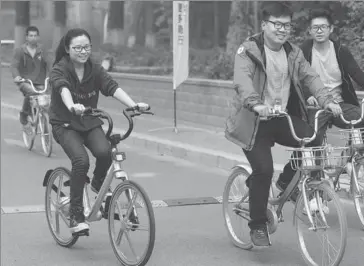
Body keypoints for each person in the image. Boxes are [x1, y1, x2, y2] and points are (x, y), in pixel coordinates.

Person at [225, 2, 341, 247]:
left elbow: (310, 77)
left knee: (314, 139)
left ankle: (285, 182)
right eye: (277, 24)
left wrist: (327, 100)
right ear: (264, 25)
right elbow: (242, 80)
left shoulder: (293, 52)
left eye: (287, 25)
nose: (282, 29)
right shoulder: (248, 50)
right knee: (263, 170)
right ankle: (257, 225)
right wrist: (255, 103)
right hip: (253, 122)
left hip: (280, 119)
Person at [48, 28, 149, 235]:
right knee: (81, 161)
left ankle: (97, 183)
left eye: (87, 47)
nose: (83, 51)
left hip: (89, 122)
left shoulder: (94, 69)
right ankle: (76, 214)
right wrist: (71, 106)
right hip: (65, 124)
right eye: (78, 48)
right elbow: (62, 88)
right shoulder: (60, 69)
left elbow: (111, 87)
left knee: (105, 153)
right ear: (68, 49)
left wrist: (134, 105)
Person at [300, 8, 364, 144]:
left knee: (361, 120)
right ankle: (299, 164)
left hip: (340, 104)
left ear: (331, 29)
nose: (319, 31)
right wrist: (307, 96)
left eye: (323, 27)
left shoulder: (341, 50)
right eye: (315, 27)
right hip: (315, 106)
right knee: (311, 141)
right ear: (309, 30)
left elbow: (357, 74)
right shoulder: (304, 51)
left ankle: (352, 157)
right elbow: (297, 77)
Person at [11, 26, 51, 125]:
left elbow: (50, 63)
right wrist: (17, 76)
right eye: (31, 35)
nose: (33, 38)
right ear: (26, 37)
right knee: (32, 92)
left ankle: (42, 117)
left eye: (35, 35)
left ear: (38, 37)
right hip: (25, 81)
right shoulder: (20, 51)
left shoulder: (42, 50)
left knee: (46, 98)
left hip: (41, 82)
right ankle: (24, 113)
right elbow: (14, 66)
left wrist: (52, 75)